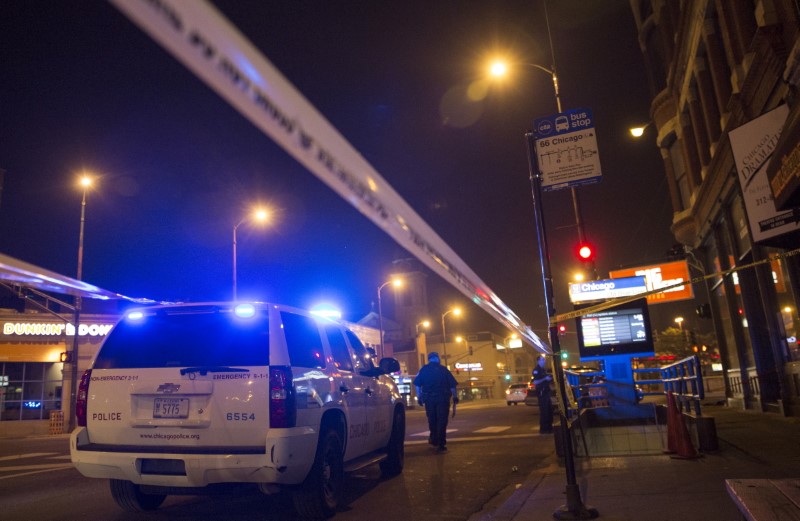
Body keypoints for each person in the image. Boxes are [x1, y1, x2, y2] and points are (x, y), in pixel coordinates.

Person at [413, 352, 458, 453]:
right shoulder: (443, 369)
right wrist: (455, 397)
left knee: (432, 420)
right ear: (437, 358)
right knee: (442, 421)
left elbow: (417, 384)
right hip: (443, 398)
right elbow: (452, 385)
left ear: (429, 359)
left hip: (429, 399)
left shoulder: (423, 370)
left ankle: (434, 440)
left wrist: (419, 397)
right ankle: (441, 444)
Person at [532, 355, 554, 434]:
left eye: (544, 360)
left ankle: (549, 427)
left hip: (546, 392)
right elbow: (535, 382)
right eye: (542, 360)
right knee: (544, 411)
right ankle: (544, 429)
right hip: (542, 393)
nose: (544, 361)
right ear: (538, 361)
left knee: (549, 410)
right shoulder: (536, 370)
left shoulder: (543, 370)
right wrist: (545, 379)